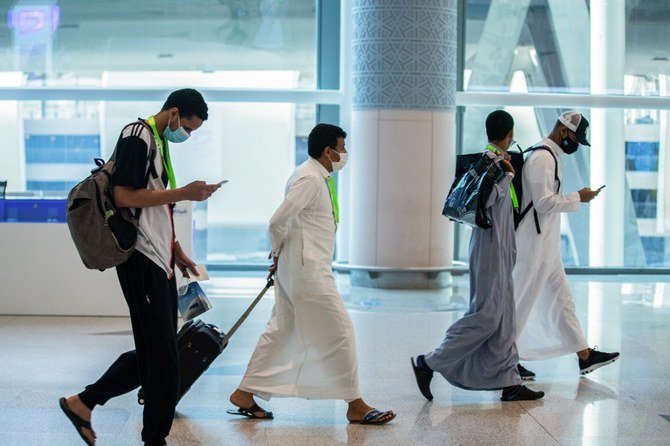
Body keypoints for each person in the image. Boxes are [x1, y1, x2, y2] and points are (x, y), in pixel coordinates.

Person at [59, 89, 221, 446]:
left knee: (159, 352)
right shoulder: (138, 136)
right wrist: (185, 193)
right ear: (174, 112)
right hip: (140, 261)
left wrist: (175, 248)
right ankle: (153, 438)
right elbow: (124, 196)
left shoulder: (157, 143)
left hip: (159, 261)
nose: (187, 135)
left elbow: (149, 208)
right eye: (188, 128)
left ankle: (83, 402)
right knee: (163, 359)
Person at [228, 123, 395, 425]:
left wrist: (281, 256)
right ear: (328, 151)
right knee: (341, 330)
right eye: (342, 148)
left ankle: (244, 392)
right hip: (308, 271)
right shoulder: (309, 178)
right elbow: (277, 221)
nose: (345, 154)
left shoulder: (315, 176)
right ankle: (355, 403)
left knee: (282, 328)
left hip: (303, 266)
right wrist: (277, 252)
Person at [411, 110, 544, 402]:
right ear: (508, 134)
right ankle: (429, 361)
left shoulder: (497, 162)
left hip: (501, 247)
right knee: (488, 315)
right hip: (489, 247)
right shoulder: (491, 164)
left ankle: (510, 383)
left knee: (505, 316)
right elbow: (487, 202)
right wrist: (507, 175)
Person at [513, 111, 620, 380]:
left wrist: (576, 197)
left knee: (562, 300)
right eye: (575, 137)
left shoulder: (550, 157)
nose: (575, 143)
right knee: (521, 303)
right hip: (533, 245)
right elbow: (543, 203)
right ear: (563, 130)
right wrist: (578, 197)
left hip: (546, 245)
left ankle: (584, 356)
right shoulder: (542, 158)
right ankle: (506, 360)